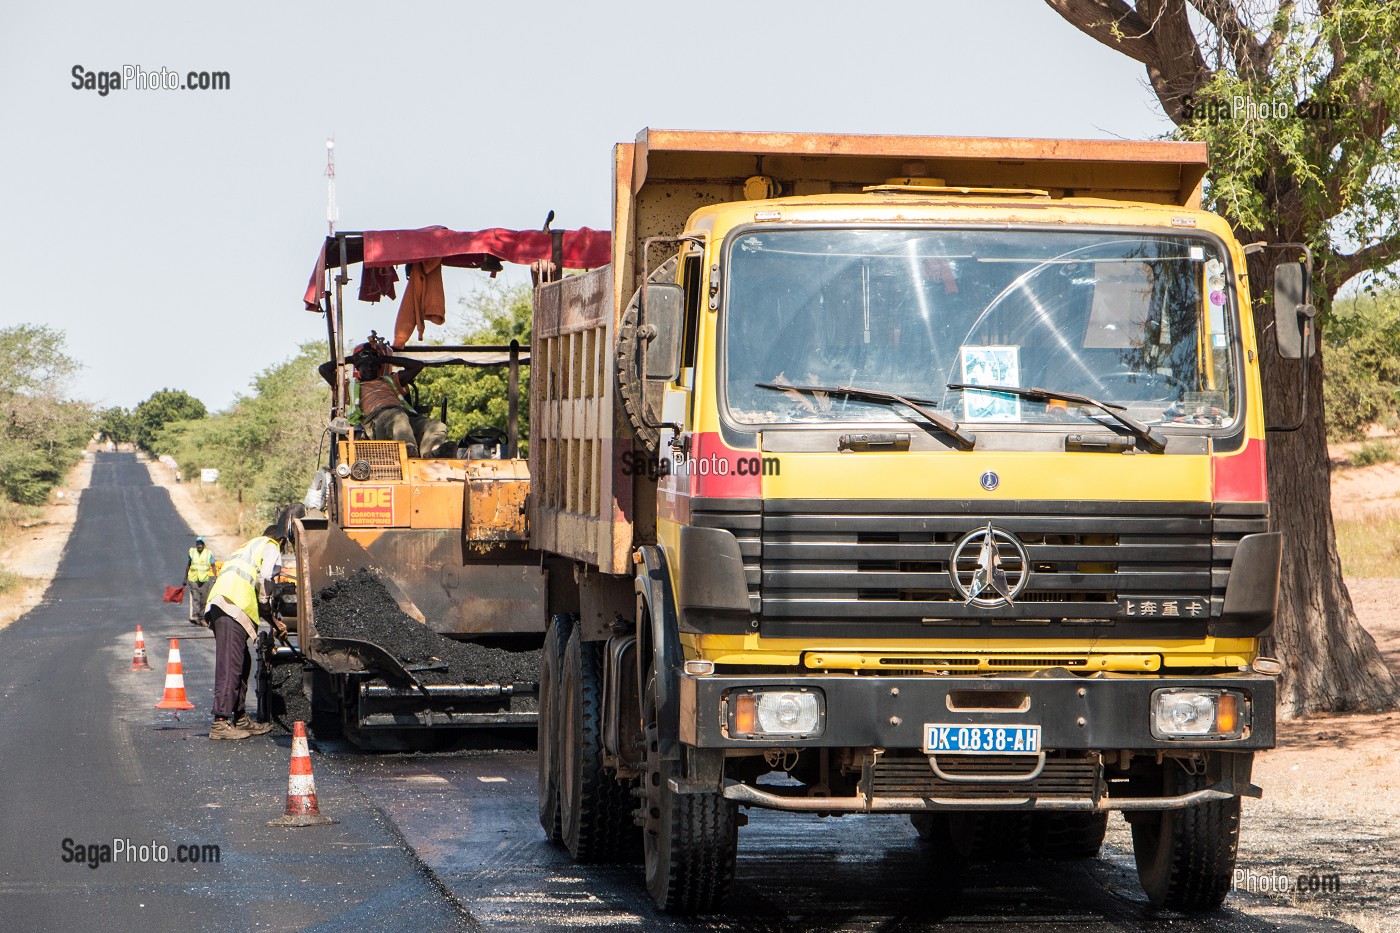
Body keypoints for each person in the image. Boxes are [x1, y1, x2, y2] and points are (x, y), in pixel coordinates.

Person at [202, 522, 289, 740]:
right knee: (230, 664)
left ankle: (239, 718)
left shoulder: (248, 546)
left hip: (227, 604)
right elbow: (267, 578)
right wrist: (269, 607)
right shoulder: (271, 545)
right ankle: (220, 723)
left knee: (243, 661)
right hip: (231, 604)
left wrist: (273, 622)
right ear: (281, 540)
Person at [346, 334, 452, 458]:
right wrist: (351, 359)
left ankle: (430, 454)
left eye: (373, 365)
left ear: (378, 367)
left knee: (438, 425)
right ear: (358, 367)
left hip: (404, 416)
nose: (370, 368)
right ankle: (409, 452)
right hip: (377, 421)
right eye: (365, 365)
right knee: (398, 416)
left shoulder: (390, 380)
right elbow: (324, 369)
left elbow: (418, 366)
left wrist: (385, 358)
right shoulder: (350, 386)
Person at [183, 536, 216, 626]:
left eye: (201, 544)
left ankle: (202, 617)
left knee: (204, 600)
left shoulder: (208, 554)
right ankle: (196, 616)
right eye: (198, 544)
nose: (199, 546)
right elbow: (188, 565)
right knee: (196, 598)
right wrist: (185, 579)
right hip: (193, 579)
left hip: (204, 579)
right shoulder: (192, 552)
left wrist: (215, 577)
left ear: (204, 545)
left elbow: (213, 565)